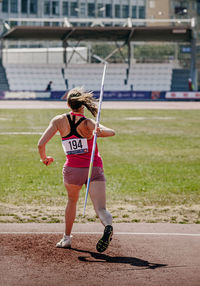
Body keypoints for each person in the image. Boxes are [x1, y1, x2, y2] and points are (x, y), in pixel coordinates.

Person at [38, 87, 115, 253]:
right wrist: (99, 131)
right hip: (93, 169)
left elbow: (40, 144)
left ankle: (66, 238)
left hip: (72, 171)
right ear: (83, 106)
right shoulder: (88, 123)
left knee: (72, 201)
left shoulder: (59, 121)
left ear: (68, 104)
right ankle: (108, 225)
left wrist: (45, 158)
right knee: (100, 208)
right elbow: (112, 132)